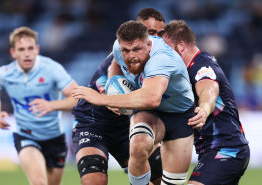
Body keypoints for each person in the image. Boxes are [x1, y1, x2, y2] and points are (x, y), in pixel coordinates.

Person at [72, 20, 196, 185]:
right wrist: (112, 85)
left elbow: (151, 98)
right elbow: (116, 61)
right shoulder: (119, 47)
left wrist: (102, 99)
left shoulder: (161, 59)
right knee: (135, 147)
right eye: (126, 50)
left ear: (149, 45)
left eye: (137, 49)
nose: (131, 56)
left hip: (176, 115)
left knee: (166, 181)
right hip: (94, 123)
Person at [0, 26, 78, 185]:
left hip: (55, 137)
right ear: (13, 53)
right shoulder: (5, 73)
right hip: (25, 136)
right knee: (38, 182)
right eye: (21, 49)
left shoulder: (52, 69)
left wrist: (52, 105)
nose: (26, 53)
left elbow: (77, 98)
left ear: (37, 49)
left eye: (30, 48)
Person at [162, 20, 250, 185]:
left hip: (226, 150)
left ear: (181, 46)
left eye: (166, 49)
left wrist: (204, 108)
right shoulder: (187, 70)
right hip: (218, 150)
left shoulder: (202, 66)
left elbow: (209, 88)